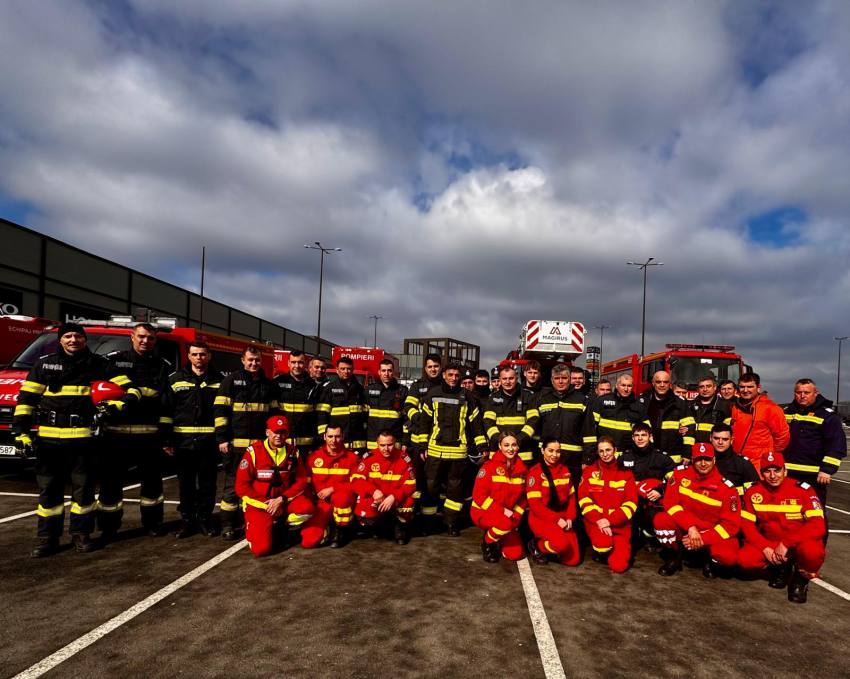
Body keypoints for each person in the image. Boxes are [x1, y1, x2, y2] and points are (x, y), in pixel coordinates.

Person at [12, 322, 106, 556]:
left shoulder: (99, 365)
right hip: (49, 439)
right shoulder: (44, 365)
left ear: (85, 340)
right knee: (49, 491)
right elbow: (26, 401)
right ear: (60, 340)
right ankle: (47, 538)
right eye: (68, 336)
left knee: (83, 491)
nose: (73, 340)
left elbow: (118, 389)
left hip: (83, 439)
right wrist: (21, 433)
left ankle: (81, 534)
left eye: (78, 336)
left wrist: (113, 405)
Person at [100, 322, 171, 539]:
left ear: (155, 340)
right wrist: (132, 394)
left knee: (152, 486)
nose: (145, 341)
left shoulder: (162, 365)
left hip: (149, 436)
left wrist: (166, 435)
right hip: (116, 435)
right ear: (132, 337)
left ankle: (152, 523)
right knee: (111, 485)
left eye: (150, 338)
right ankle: (108, 528)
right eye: (141, 336)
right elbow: (109, 385)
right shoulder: (116, 360)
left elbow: (166, 403)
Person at [737, 451, 826, 604]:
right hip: (771, 543)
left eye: (777, 470)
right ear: (762, 473)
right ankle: (779, 567)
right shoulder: (753, 491)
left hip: (797, 543)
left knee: (812, 552)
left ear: (785, 471)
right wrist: (765, 547)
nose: (773, 475)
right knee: (745, 559)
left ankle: (800, 579)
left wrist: (786, 543)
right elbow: (747, 525)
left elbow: (818, 525)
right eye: (767, 471)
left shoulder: (803, 490)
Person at [413, 363, 487, 535]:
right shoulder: (433, 394)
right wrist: (423, 445)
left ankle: (451, 523)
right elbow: (424, 423)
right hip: (435, 450)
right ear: (444, 374)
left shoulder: (467, 396)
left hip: (458, 452)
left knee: (455, 490)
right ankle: (428, 522)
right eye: (450, 374)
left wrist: (482, 445)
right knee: (431, 488)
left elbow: (475, 425)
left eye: (456, 375)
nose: (454, 378)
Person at [214, 345, 280, 540]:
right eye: (250, 360)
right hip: (236, 446)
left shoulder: (268, 385)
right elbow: (220, 412)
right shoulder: (231, 381)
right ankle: (227, 524)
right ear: (242, 360)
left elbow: (274, 415)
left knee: (259, 485)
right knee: (233, 486)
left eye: (257, 360)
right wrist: (222, 438)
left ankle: (249, 520)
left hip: (260, 448)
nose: (254, 363)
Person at [161, 341, 223, 538]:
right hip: (183, 443)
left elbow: (223, 412)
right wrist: (166, 440)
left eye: (203, 354)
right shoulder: (175, 379)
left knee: (207, 484)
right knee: (185, 485)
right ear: (188, 356)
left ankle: (205, 519)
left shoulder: (219, 380)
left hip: (209, 443)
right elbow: (165, 412)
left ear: (209, 356)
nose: (199, 358)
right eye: (195, 354)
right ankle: (187, 521)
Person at [654, 442, 741, 578]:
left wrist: (703, 538)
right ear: (692, 460)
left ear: (714, 460)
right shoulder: (679, 475)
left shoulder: (727, 489)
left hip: (709, 532)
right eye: (698, 459)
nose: (703, 463)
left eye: (707, 459)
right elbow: (671, 504)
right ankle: (674, 557)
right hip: (686, 526)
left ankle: (708, 560)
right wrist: (690, 527)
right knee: (661, 520)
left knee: (727, 556)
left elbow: (731, 525)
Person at [235, 415, 318, 556]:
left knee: (308, 508)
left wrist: (282, 500)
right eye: (275, 432)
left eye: (283, 432)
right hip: (260, 504)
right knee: (261, 550)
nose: (279, 436)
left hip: (282, 501)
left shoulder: (293, 452)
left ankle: (280, 525)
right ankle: (253, 527)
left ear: (287, 433)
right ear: (267, 432)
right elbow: (241, 486)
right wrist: (267, 505)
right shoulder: (253, 452)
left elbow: (302, 480)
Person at [782, 378, 846, 513]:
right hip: (788, 473)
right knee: (789, 512)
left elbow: (836, 445)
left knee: (814, 512)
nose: (802, 396)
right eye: (799, 392)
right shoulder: (786, 413)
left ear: (815, 393)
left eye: (806, 392)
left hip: (814, 475)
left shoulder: (827, 416)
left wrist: (827, 470)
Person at [523, 364, 590, 484]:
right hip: (546, 458)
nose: (560, 381)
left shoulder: (582, 400)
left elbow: (589, 433)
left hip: (572, 459)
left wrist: (586, 460)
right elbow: (535, 428)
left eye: (564, 378)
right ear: (551, 380)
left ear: (570, 379)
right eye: (557, 378)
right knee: (545, 491)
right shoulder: (542, 399)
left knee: (570, 493)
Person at [578, 437, 638, 573]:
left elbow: (631, 504)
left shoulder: (626, 474)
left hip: (620, 525)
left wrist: (609, 520)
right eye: (601, 451)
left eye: (608, 450)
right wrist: (599, 520)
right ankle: (603, 551)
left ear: (615, 450)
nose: (605, 454)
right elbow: (584, 500)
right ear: (598, 453)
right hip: (596, 522)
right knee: (602, 544)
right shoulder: (589, 472)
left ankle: (611, 550)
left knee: (619, 566)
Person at [351, 430, 416, 544]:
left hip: (394, 499)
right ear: (377, 443)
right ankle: (378, 526)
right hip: (376, 497)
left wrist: (394, 497)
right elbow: (356, 480)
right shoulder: (369, 457)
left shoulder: (403, 458)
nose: (386, 448)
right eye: (382, 445)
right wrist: (373, 491)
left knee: (408, 502)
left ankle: (400, 528)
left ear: (395, 443)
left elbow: (411, 484)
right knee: (366, 516)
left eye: (389, 445)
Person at [472, 432, 528, 563]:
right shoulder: (489, 467)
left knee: (514, 554)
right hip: (483, 511)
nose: (510, 449)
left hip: (508, 517)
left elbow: (523, 499)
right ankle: (488, 542)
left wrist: (516, 518)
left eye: (513, 445)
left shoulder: (523, 470)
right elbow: (478, 496)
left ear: (518, 447)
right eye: (506, 445)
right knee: (504, 524)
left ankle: (500, 533)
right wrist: (502, 511)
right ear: (499, 446)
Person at [618, 422, 675, 549]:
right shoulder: (624, 458)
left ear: (650, 436)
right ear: (632, 438)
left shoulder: (662, 459)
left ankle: (651, 535)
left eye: (643, 435)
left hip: (653, 503)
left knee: (654, 517)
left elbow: (675, 481)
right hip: (630, 501)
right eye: (637, 435)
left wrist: (661, 490)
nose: (640, 438)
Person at [525, 438, 580, 566]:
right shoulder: (535, 473)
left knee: (573, 560)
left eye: (558, 451)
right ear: (542, 450)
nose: (554, 455)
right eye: (550, 451)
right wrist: (556, 519)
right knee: (560, 544)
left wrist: (570, 518)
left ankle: (552, 545)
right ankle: (537, 546)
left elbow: (571, 497)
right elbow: (535, 506)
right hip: (541, 518)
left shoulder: (565, 470)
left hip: (563, 517)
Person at [306, 424, 361, 548]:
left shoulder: (352, 458)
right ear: (324, 437)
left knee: (342, 498)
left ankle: (341, 529)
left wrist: (332, 489)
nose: (333, 440)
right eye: (330, 436)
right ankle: (327, 526)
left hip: (342, 499)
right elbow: (307, 483)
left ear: (342, 437)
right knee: (309, 541)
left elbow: (357, 484)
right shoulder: (313, 457)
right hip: (321, 503)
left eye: (337, 436)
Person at [730, 372, 789, 474]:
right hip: (737, 462)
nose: (745, 390)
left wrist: (769, 455)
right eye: (742, 387)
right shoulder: (735, 407)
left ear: (758, 388)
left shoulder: (771, 409)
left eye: (750, 387)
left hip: (759, 464)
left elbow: (782, 437)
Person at [404, 353, 443, 503]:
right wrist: (420, 419)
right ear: (425, 368)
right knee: (418, 476)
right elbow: (408, 406)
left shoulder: (445, 386)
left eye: (436, 366)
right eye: (430, 367)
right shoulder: (417, 386)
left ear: (440, 367)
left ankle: (433, 509)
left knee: (436, 478)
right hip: (417, 439)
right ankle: (415, 509)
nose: (433, 369)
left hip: (437, 440)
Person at [633, 371, 694, 464]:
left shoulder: (680, 404)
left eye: (665, 382)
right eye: (658, 382)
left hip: (673, 458)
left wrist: (687, 454)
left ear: (669, 384)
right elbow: (633, 427)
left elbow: (690, 430)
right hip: (646, 457)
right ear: (653, 383)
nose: (662, 385)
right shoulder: (642, 402)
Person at [274, 350, 318, 460]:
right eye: (293, 362)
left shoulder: (314, 386)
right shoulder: (277, 383)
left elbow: (318, 416)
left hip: (306, 445)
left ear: (306, 364)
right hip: (282, 443)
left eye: (300, 362)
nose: (296, 366)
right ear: (288, 363)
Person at [484, 366, 534, 462]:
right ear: (500, 380)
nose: (508, 382)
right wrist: (500, 440)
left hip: (523, 454)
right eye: (504, 379)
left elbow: (533, 421)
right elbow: (488, 422)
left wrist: (518, 439)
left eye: (511, 378)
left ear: (517, 378)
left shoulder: (528, 397)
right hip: (498, 452)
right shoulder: (492, 398)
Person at [583, 374, 638, 459]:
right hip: (603, 454)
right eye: (623, 385)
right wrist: (589, 454)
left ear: (633, 387)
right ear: (616, 385)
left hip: (626, 455)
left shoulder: (638, 405)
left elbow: (644, 432)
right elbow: (590, 429)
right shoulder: (601, 401)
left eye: (629, 386)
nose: (626, 389)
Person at [365, 359, 408, 450]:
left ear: (393, 372)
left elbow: (406, 420)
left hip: (394, 443)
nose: (386, 374)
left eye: (389, 370)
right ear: (379, 372)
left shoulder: (402, 391)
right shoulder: (369, 390)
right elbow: (363, 417)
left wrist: (405, 441)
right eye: (383, 371)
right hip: (373, 442)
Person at [709, 423, 759, 497]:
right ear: (710, 438)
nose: (720, 442)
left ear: (731, 440)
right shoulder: (703, 461)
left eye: (725, 439)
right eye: (716, 438)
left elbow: (754, 491)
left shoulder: (743, 464)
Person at [690, 376, 732, 444]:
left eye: (708, 386)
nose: (705, 389)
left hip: (716, 448)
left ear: (715, 387)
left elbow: (729, 430)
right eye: (701, 387)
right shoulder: (690, 406)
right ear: (698, 389)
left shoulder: (726, 406)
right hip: (694, 447)